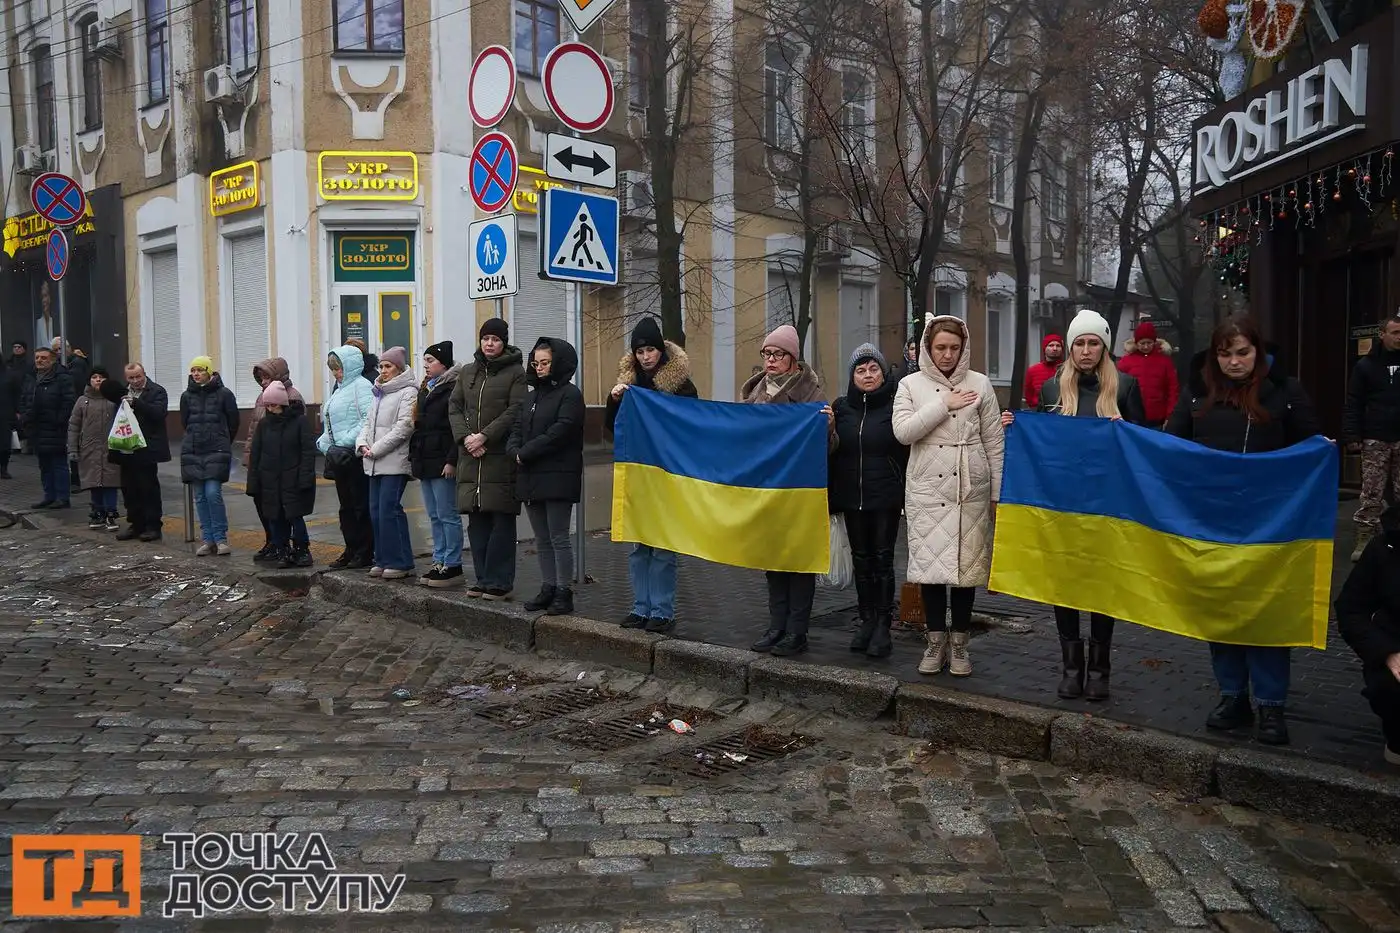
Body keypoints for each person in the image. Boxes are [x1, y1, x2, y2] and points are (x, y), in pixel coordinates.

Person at [1166, 316, 1322, 746]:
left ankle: (1271, 704)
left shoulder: (1286, 391)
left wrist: (1322, 451)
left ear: (1258, 351)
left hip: (1272, 525)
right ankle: (1232, 696)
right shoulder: (1196, 392)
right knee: (1222, 611)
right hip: (1212, 523)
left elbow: (1311, 447)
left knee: (1268, 613)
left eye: (1242, 353)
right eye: (1225, 354)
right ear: (1214, 356)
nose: (1234, 362)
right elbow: (1169, 447)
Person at [1006, 309, 1146, 701]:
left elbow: (1144, 446)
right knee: (1064, 585)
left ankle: (1100, 671)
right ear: (1070, 347)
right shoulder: (1052, 389)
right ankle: (1071, 668)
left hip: (1107, 506)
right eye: (1079, 343)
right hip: (1062, 505)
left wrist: (1126, 432)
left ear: (1104, 346)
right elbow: (1042, 442)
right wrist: (1016, 428)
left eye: (1093, 343)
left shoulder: (1126, 387)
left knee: (1103, 587)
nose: (1086, 350)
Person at [892, 317, 1004, 674]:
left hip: (970, 489)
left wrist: (996, 494)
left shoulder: (980, 383)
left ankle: (960, 646)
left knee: (966, 570)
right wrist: (945, 403)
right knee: (931, 570)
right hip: (928, 489)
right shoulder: (910, 384)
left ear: (964, 348)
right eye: (940, 347)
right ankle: (935, 641)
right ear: (928, 347)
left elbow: (993, 441)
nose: (947, 354)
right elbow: (903, 432)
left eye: (954, 348)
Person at [742, 323, 835, 657]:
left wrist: (828, 428)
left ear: (793, 359)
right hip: (767, 490)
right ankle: (776, 626)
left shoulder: (812, 395)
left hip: (799, 491)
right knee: (773, 559)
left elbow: (830, 448)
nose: (770, 359)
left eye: (778, 354)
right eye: (767, 353)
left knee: (798, 561)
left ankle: (797, 631)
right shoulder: (753, 395)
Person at [607, 317, 699, 632]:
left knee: (662, 546)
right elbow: (613, 428)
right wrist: (614, 400)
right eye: (640, 351)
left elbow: (690, 427)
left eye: (650, 350)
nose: (646, 356)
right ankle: (640, 607)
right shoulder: (629, 385)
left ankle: (662, 610)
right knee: (639, 546)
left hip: (668, 474)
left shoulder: (682, 386)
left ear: (661, 350)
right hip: (638, 473)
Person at [831, 342, 907, 658]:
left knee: (882, 560)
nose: (867, 375)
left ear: (882, 372)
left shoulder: (896, 405)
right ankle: (866, 620)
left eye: (873, 368)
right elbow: (832, 448)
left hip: (885, 496)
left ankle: (883, 626)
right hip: (852, 495)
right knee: (861, 560)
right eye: (860, 370)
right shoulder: (841, 407)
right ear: (852, 376)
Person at [450, 318, 528, 600]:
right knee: (477, 523)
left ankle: (500, 582)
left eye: (495, 339)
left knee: (501, 523)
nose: (490, 344)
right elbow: (455, 407)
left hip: (499, 457)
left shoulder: (516, 372)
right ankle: (482, 579)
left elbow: (516, 410)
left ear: (503, 342)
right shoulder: (468, 371)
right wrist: (466, 439)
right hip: (472, 457)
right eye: (486, 339)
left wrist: (485, 436)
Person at [512, 337, 586, 616]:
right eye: (536, 363)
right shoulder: (531, 397)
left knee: (558, 537)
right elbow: (517, 428)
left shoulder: (570, 395)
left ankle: (564, 591)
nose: (540, 368)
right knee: (541, 538)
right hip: (530, 474)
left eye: (545, 363)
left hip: (558, 474)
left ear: (558, 363)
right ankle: (548, 587)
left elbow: (561, 431)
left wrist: (525, 452)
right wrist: (514, 451)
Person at [1336, 503, 1400, 766]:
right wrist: (1388, 653)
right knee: (1388, 688)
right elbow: (1351, 610)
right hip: (1394, 647)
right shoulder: (1384, 548)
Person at [357, 347, 418, 580]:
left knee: (388, 510)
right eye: (381, 366)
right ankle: (382, 559)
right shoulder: (379, 392)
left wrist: (376, 449)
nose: (383, 370)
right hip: (373, 461)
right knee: (375, 512)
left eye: (388, 366)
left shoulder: (408, 392)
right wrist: (362, 443)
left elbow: (404, 427)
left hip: (393, 461)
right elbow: (368, 423)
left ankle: (400, 561)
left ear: (399, 368)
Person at [1344, 313, 1400, 560]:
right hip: (1375, 436)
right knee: (1371, 492)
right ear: (1382, 334)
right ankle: (1366, 537)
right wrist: (1352, 435)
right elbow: (1354, 402)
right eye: (1395, 333)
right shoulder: (1366, 366)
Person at [410, 341, 465, 588]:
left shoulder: (454, 388)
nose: (426, 365)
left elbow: (457, 428)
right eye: (425, 361)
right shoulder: (427, 388)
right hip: (426, 459)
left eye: (430, 360)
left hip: (443, 460)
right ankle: (439, 560)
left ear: (444, 363)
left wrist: (452, 460)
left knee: (447, 514)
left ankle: (453, 564)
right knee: (434, 515)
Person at [247, 381, 316, 568]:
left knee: (295, 516)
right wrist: (254, 482)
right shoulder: (264, 425)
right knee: (275, 518)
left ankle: (302, 550)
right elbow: (256, 454)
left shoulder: (299, 422)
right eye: (267, 405)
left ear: (282, 403)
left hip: (292, 479)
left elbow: (308, 452)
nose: (270, 409)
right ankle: (282, 550)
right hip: (270, 480)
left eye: (273, 405)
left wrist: (305, 478)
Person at [318, 346, 375, 570]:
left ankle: (364, 551)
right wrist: (324, 443)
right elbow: (331, 423)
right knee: (346, 508)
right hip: (340, 457)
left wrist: (344, 442)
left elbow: (367, 420)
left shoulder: (362, 386)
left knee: (360, 506)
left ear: (350, 366)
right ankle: (351, 548)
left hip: (355, 456)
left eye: (339, 368)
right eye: (333, 369)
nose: (336, 373)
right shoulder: (340, 389)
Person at [101, 363, 171, 541]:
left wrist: (137, 403)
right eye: (131, 378)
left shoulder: (157, 391)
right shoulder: (123, 392)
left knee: (148, 488)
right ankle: (136, 524)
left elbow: (159, 413)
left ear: (144, 374)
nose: (135, 381)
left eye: (138, 376)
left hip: (147, 447)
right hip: (126, 446)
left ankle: (153, 526)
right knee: (129, 489)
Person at [180, 356, 240, 556]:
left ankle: (221, 539)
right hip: (194, 450)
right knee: (200, 496)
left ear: (209, 371)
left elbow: (233, 421)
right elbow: (185, 422)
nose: (196, 374)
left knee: (213, 493)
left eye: (200, 370)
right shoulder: (186, 396)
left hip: (216, 449)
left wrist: (222, 440)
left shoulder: (224, 394)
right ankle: (208, 539)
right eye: (193, 370)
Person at [20, 346, 75, 510]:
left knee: (58, 464)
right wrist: (23, 416)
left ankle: (62, 498)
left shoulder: (62, 378)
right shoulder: (31, 378)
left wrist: (59, 420)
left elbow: (68, 401)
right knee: (44, 465)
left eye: (43, 358)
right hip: (36, 428)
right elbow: (24, 398)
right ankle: (49, 496)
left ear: (52, 360)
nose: (39, 360)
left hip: (55, 428)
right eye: (37, 357)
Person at [67, 366, 121, 530]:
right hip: (89, 449)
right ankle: (97, 512)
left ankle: (111, 512)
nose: (98, 380)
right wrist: (73, 449)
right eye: (94, 377)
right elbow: (74, 426)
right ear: (89, 381)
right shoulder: (82, 401)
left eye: (101, 377)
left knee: (110, 482)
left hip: (111, 448)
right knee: (94, 483)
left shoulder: (114, 400)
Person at [1116, 321, 1179, 429]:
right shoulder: (1126, 362)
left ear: (1155, 342)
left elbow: (1172, 390)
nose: (1146, 346)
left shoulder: (1165, 362)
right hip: (1132, 419)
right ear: (1136, 343)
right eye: (1142, 343)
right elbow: (1117, 388)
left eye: (1149, 343)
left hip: (1157, 420)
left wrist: (1170, 416)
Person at [1023, 334, 1064, 409]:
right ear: (1044, 348)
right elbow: (1029, 395)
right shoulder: (1033, 370)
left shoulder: (1068, 369)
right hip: (1039, 412)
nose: (1055, 348)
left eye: (1058, 346)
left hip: (1063, 411)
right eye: (1051, 345)